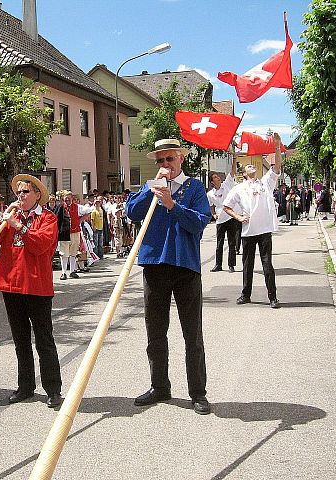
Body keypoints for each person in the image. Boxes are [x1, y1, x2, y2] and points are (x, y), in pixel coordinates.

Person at [125, 138, 212, 415]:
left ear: (180, 160)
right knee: (155, 332)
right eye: (160, 161)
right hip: (154, 265)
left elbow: (200, 223)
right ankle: (159, 386)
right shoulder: (151, 187)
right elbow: (130, 213)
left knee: (192, 334)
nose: (165, 165)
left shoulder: (195, 187)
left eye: (169, 160)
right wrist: (152, 190)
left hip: (185, 266)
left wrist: (173, 205)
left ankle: (198, 392)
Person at [0, 174, 62, 408]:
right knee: (20, 340)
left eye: (25, 191)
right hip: (12, 285)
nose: (20, 196)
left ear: (37, 194)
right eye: (18, 192)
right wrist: (2, 219)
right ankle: (25, 387)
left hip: (37, 286)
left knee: (44, 340)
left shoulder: (47, 218)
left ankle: (53, 389)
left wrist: (18, 226)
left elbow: (40, 245)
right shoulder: (11, 216)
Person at [223, 133, 283, 309]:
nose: (252, 166)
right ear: (244, 173)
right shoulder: (238, 188)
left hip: (264, 230)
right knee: (247, 265)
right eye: (248, 166)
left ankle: (273, 297)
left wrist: (277, 146)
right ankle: (245, 294)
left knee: (267, 265)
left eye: (252, 165)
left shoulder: (265, 183)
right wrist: (239, 217)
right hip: (248, 232)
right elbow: (226, 206)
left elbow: (277, 166)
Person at [207, 158, 238, 273]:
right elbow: (211, 206)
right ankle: (218, 264)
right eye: (215, 177)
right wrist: (214, 214)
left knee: (231, 242)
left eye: (217, 176)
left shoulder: (227, 184)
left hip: (230, 216)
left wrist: (234, 159)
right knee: (219, 243)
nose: (218, 177)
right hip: (220, 220)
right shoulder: (210, 194)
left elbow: (232, 172)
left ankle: (231, 265)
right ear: (212, 182)